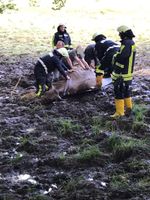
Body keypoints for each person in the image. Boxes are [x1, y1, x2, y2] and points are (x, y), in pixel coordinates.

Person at [111, 25, 136, 118]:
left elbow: (123, 56)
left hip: (122, 73)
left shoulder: (127, 43)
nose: (119, 35)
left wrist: (116, 56)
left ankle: (119, 112)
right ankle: (129, 108)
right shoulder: (130, 42)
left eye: (120, 33)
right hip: (127, 72)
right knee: (126, 90)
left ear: (123, 33)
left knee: (118, 91)